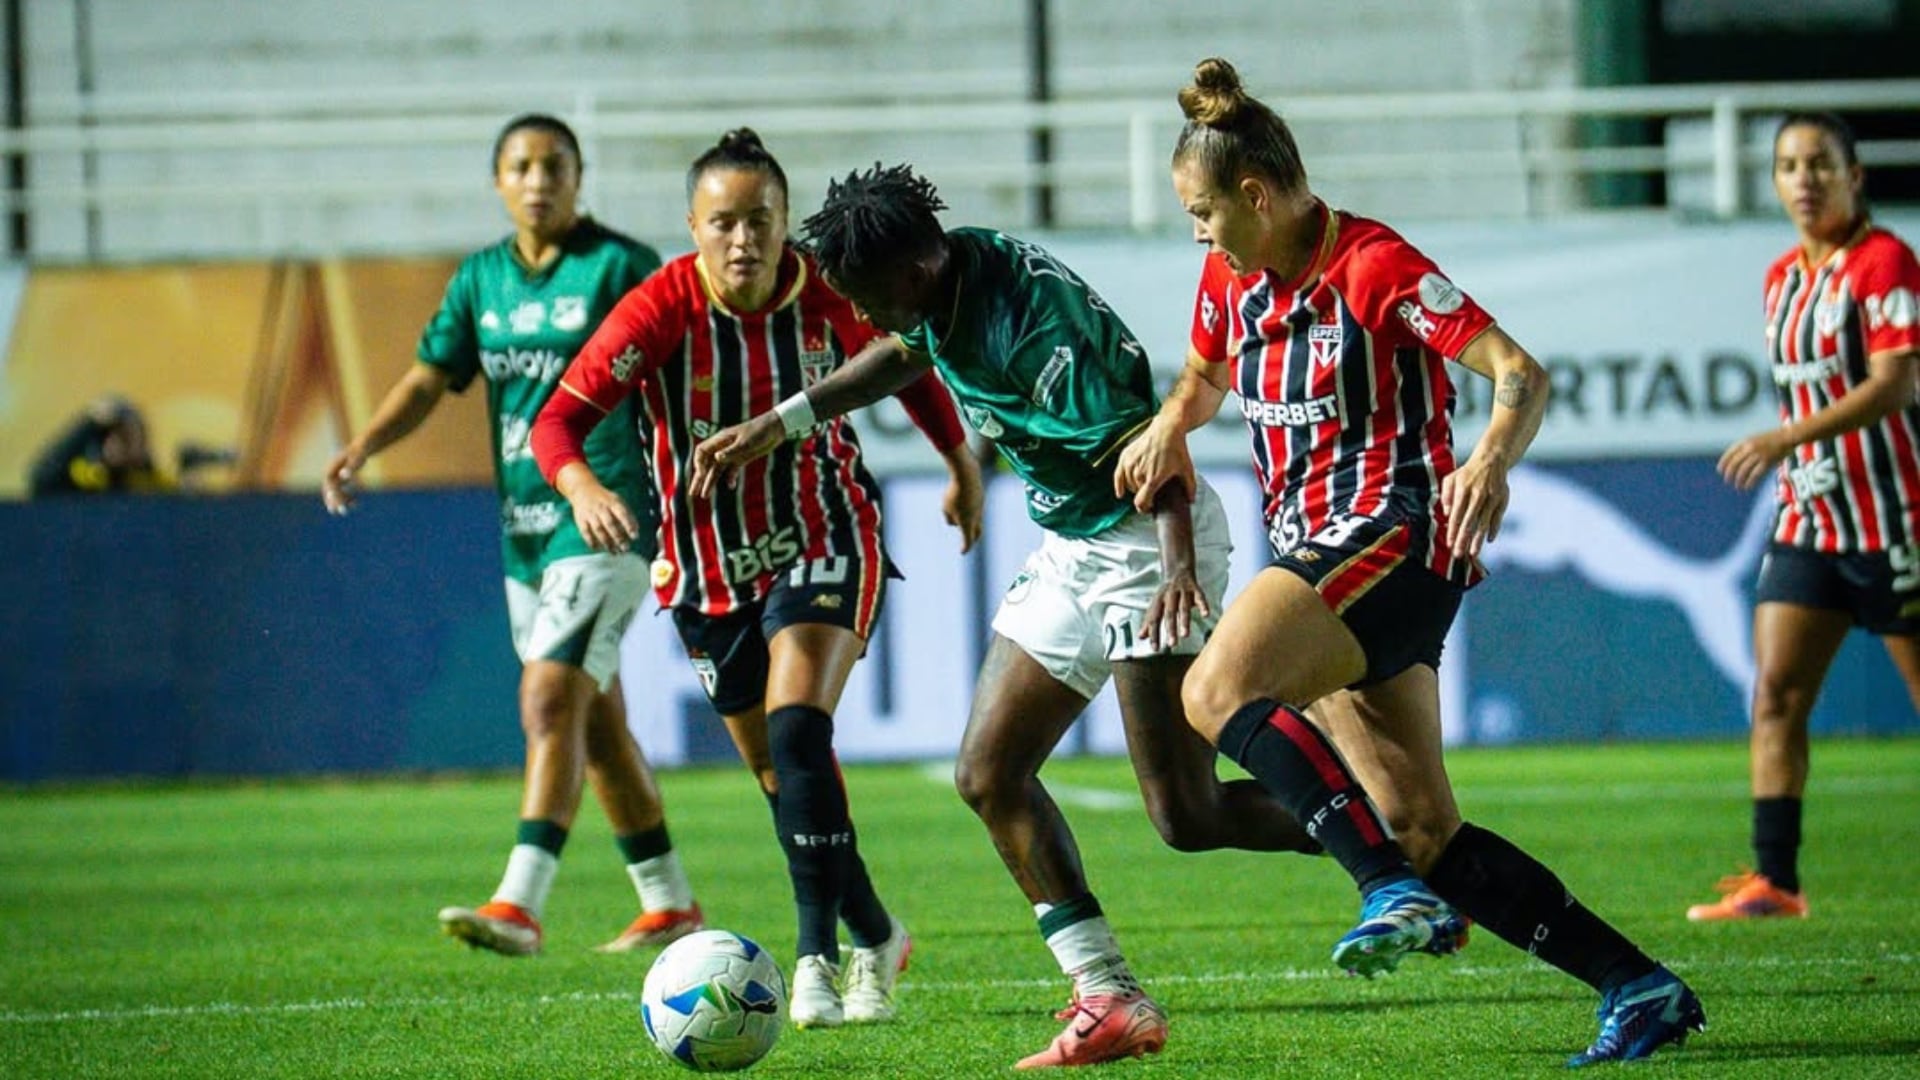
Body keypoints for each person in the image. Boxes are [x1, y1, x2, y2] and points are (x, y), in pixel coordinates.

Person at [687, 163, 1465, 1070]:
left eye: (864, 296)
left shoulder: (1042, 333)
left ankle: (1399, 844)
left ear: (912, 271)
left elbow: (1156, 449)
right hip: (1073, 545)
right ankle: (1108, 992)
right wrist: (781, 422)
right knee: (987, 772)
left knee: (1186, 812)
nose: (859, 315)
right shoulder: (942, 279)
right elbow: (912, 352)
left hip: (1146, 542)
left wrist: (1176, 573)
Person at [1114, 58, 1706, 1067]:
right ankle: (1638, 984)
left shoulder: (1375, 265)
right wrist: (1173, 425)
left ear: (1256, 195)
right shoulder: (1232, 276)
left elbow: (1519, 374)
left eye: (1204, 211)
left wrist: (1488, 459)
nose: (1198, 233)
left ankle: (1386, 890)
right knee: (1420, 822)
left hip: (1387, 534)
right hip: (1326, 554)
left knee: (1214, 690)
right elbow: (1204, 375)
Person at [529, 129, 983, 1030]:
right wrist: (581, 488)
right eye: (724, 222)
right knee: (785, 776)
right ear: (692, 227)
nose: (744, 240)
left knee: (797, 725)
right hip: (706, 570)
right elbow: (558, 425)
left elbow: (906, 360)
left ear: (786, 223)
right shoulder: (657, 310)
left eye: (762, 221)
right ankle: (877, 932)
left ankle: (817, 961)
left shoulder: (827, 292)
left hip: (826, 532)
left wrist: (958, 460)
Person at [321, 113, 703, 957]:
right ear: (498, 182)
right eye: (522, 166)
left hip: (604, 517)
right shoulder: (481, 281)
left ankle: (520, 903)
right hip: (523, 530)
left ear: (579, 177)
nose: (539, 180)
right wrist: (363, 446)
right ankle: (669, 901)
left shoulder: (620, 267)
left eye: (555, 166)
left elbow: (685, 365)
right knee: (594, 721)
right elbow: (431, 377)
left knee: (546, 697)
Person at [1688, 112, 1920, 922]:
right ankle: (1776, 881)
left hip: (1896, 518)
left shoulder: (1886, 260)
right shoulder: (1783, 277)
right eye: (1789, 165)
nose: (1804, 180)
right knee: (1778, 694)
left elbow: (1895, 384)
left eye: (1820, 163)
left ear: (1855, 176)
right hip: (1809, 520)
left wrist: (1786, 436)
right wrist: (1798, 456)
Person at [29, 396, 168, 496]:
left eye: (135, 439)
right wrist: (87, 425)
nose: (126, 447)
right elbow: (40, 481)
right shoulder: (85, 474)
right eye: (120, 437)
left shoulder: (143, 479)